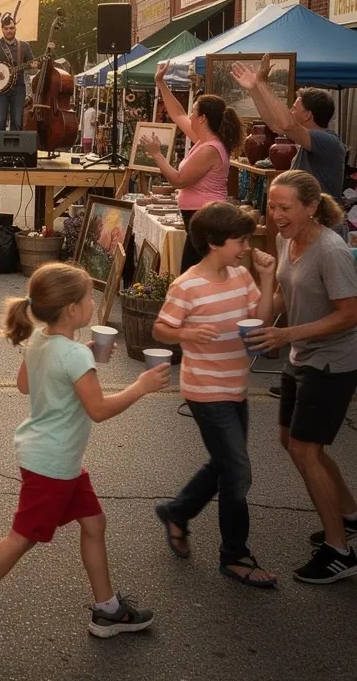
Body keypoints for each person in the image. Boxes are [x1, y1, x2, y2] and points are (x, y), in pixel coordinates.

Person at [0, 262, 168, 647]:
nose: (93, 302)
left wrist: (81, 355)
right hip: (53, 464)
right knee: (22, 537)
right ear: (72, 310)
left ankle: (107, 609)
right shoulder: (73, 356)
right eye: (90, 297)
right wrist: (140, 386)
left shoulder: (42, 341)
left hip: (52, 458)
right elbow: (99, 410)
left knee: (94, 523)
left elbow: (24, 384)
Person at [151, 202, 278, 587]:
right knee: (237, 472)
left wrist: (268, 278)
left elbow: (262, 320)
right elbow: (160, 329)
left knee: (224, 463)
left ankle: (177, 511)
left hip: (236, 386)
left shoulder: (241, 275)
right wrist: (186, 333)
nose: (246, 247)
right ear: (213, 242)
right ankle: (235, 556)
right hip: (205, 391)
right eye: (240, 241)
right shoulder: (187, 285)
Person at [245, 170, 357, 583]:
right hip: (301, 354)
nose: (276, 215)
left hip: (333, 361)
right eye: (272, 206)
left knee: (305, 449)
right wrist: (257, 306)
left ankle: (339, 551)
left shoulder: (331, 251)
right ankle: (350, 515)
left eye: (285, 207)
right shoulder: (285, 239)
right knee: (290, 440)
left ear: (310, 207)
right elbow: (284, 295)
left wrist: (287, 333)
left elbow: (350, 314)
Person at [231, 55, 348, 239]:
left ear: (308, 115)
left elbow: (286, 124)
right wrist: (254, 89)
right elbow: (275, 123)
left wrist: (262, 84)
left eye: (294, 108)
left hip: (323, 228)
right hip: (307, 225)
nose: (291, 112)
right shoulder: (306, 139)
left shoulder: (327, 141)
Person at [146, 62, 242, 272]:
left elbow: (178, 180)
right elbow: (177, 114)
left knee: (193, 273)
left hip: (207, 219)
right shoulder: (203, 140)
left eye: (193, 112)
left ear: (202, 118)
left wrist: (157, 155)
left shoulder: (210, 149)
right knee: (193, 273)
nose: (189, 115)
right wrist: (160, 83)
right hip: (201, 217)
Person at [0, 14, 38, 131]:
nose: (9, 31)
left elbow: (32, 66)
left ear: (15, 28)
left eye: (11, 28)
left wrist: (34, 65)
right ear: (2, 29)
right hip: (0, 91)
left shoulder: (24, 46)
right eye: (6, 29)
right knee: (0, 121)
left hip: (18, 89)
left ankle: (14, 143)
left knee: (17, 121)